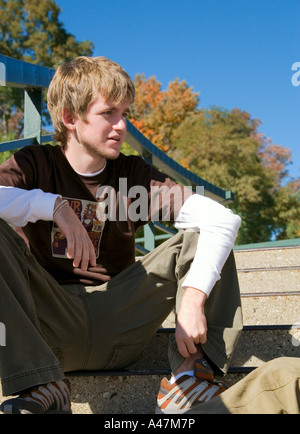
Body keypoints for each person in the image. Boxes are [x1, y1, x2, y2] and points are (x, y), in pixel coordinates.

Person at [0, 56, 242, 414]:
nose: (121, 126)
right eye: (108, 113)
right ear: (70, 117)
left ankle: (190, 376)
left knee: (204, 231)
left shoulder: (131, 174)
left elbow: (222, 219)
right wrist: (54, 206)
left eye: (125, 113)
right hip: (50, 323)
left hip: (121, 318)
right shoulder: (36, 163)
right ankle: (41, 383)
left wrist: (192, 297)